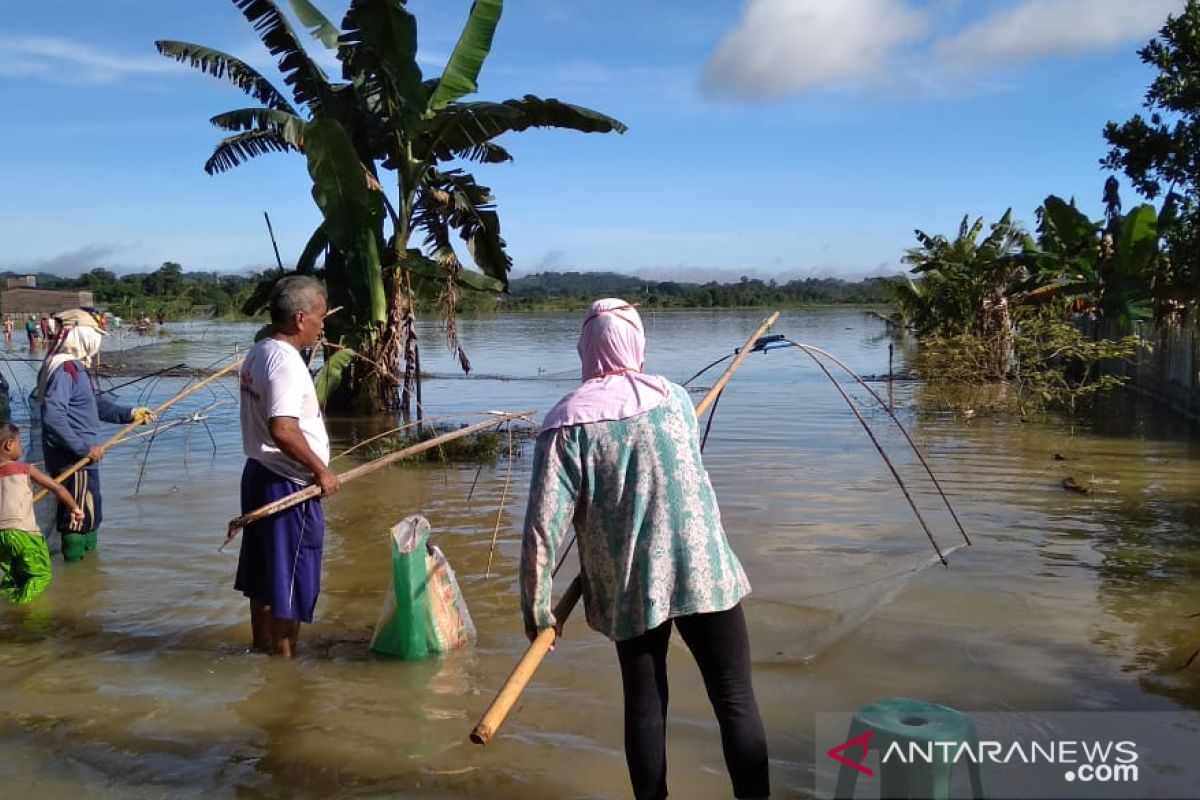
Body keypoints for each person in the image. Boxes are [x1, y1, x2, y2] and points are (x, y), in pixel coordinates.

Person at [520, 299, 770, 800]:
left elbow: (543, 530)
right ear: (636, 344)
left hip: (632, 582)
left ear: (585, 350)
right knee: (735, 699)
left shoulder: (565, 424)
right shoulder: (674, 398)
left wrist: (537, 609)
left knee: (645, 704)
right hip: (705, 569)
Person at [236, 275, 339, 657]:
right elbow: (283, 428)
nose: (322, 324)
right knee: (290, 583)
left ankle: (262, 651)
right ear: (299, 319)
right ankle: (283, 665)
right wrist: (321, 470)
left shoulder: (259, 351)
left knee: (266, 579)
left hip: (260, 474)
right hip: (287, 485)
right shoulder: (285, 364)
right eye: (319, 317)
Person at [37, 308, 155, 562]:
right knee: (76, 517)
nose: (97, 339)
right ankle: (76, 581)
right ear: (80, 334)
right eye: (94, 333)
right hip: (75, 459)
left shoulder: (76, 367)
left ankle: (91, 581)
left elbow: (94, 404)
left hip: (85, 456)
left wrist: (131, 413)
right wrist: (82, 448)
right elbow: (53, 415)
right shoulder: (65, 369)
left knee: (91, 512)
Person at [0, 422, 86, 603]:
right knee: (41, 575)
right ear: (9, 444)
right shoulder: (24, 468)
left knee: (14, 577)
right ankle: (24, 611)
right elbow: (57, 488)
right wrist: (75, 508)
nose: (21, 447)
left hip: (1, 537)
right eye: (19, 443)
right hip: (23, 533)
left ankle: (8, 609)